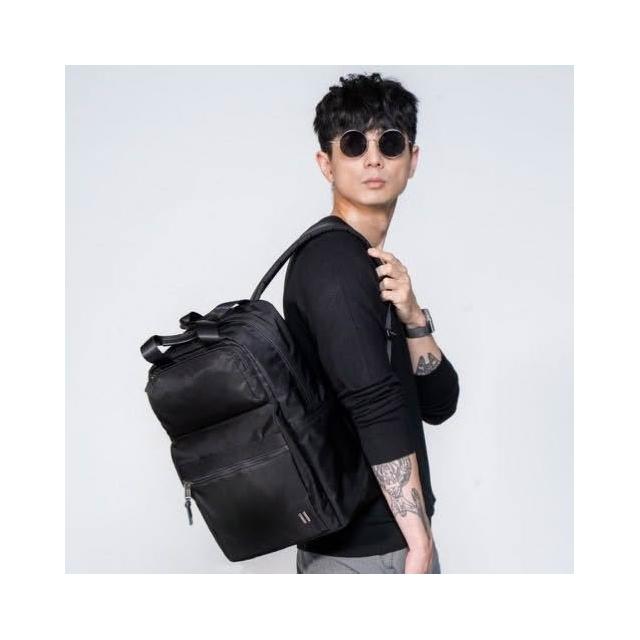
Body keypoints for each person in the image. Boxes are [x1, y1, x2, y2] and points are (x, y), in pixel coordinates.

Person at [283, 72, 460, 574]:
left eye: (390, 142)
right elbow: (372, 402)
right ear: (327, 163)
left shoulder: (368, 264)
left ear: (413, 159)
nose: (374, 158)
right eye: (354, 144)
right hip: (365, 552)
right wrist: (419, 542)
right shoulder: (334, 263)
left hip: (381, 544)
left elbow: (439, 403)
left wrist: (413, 316)